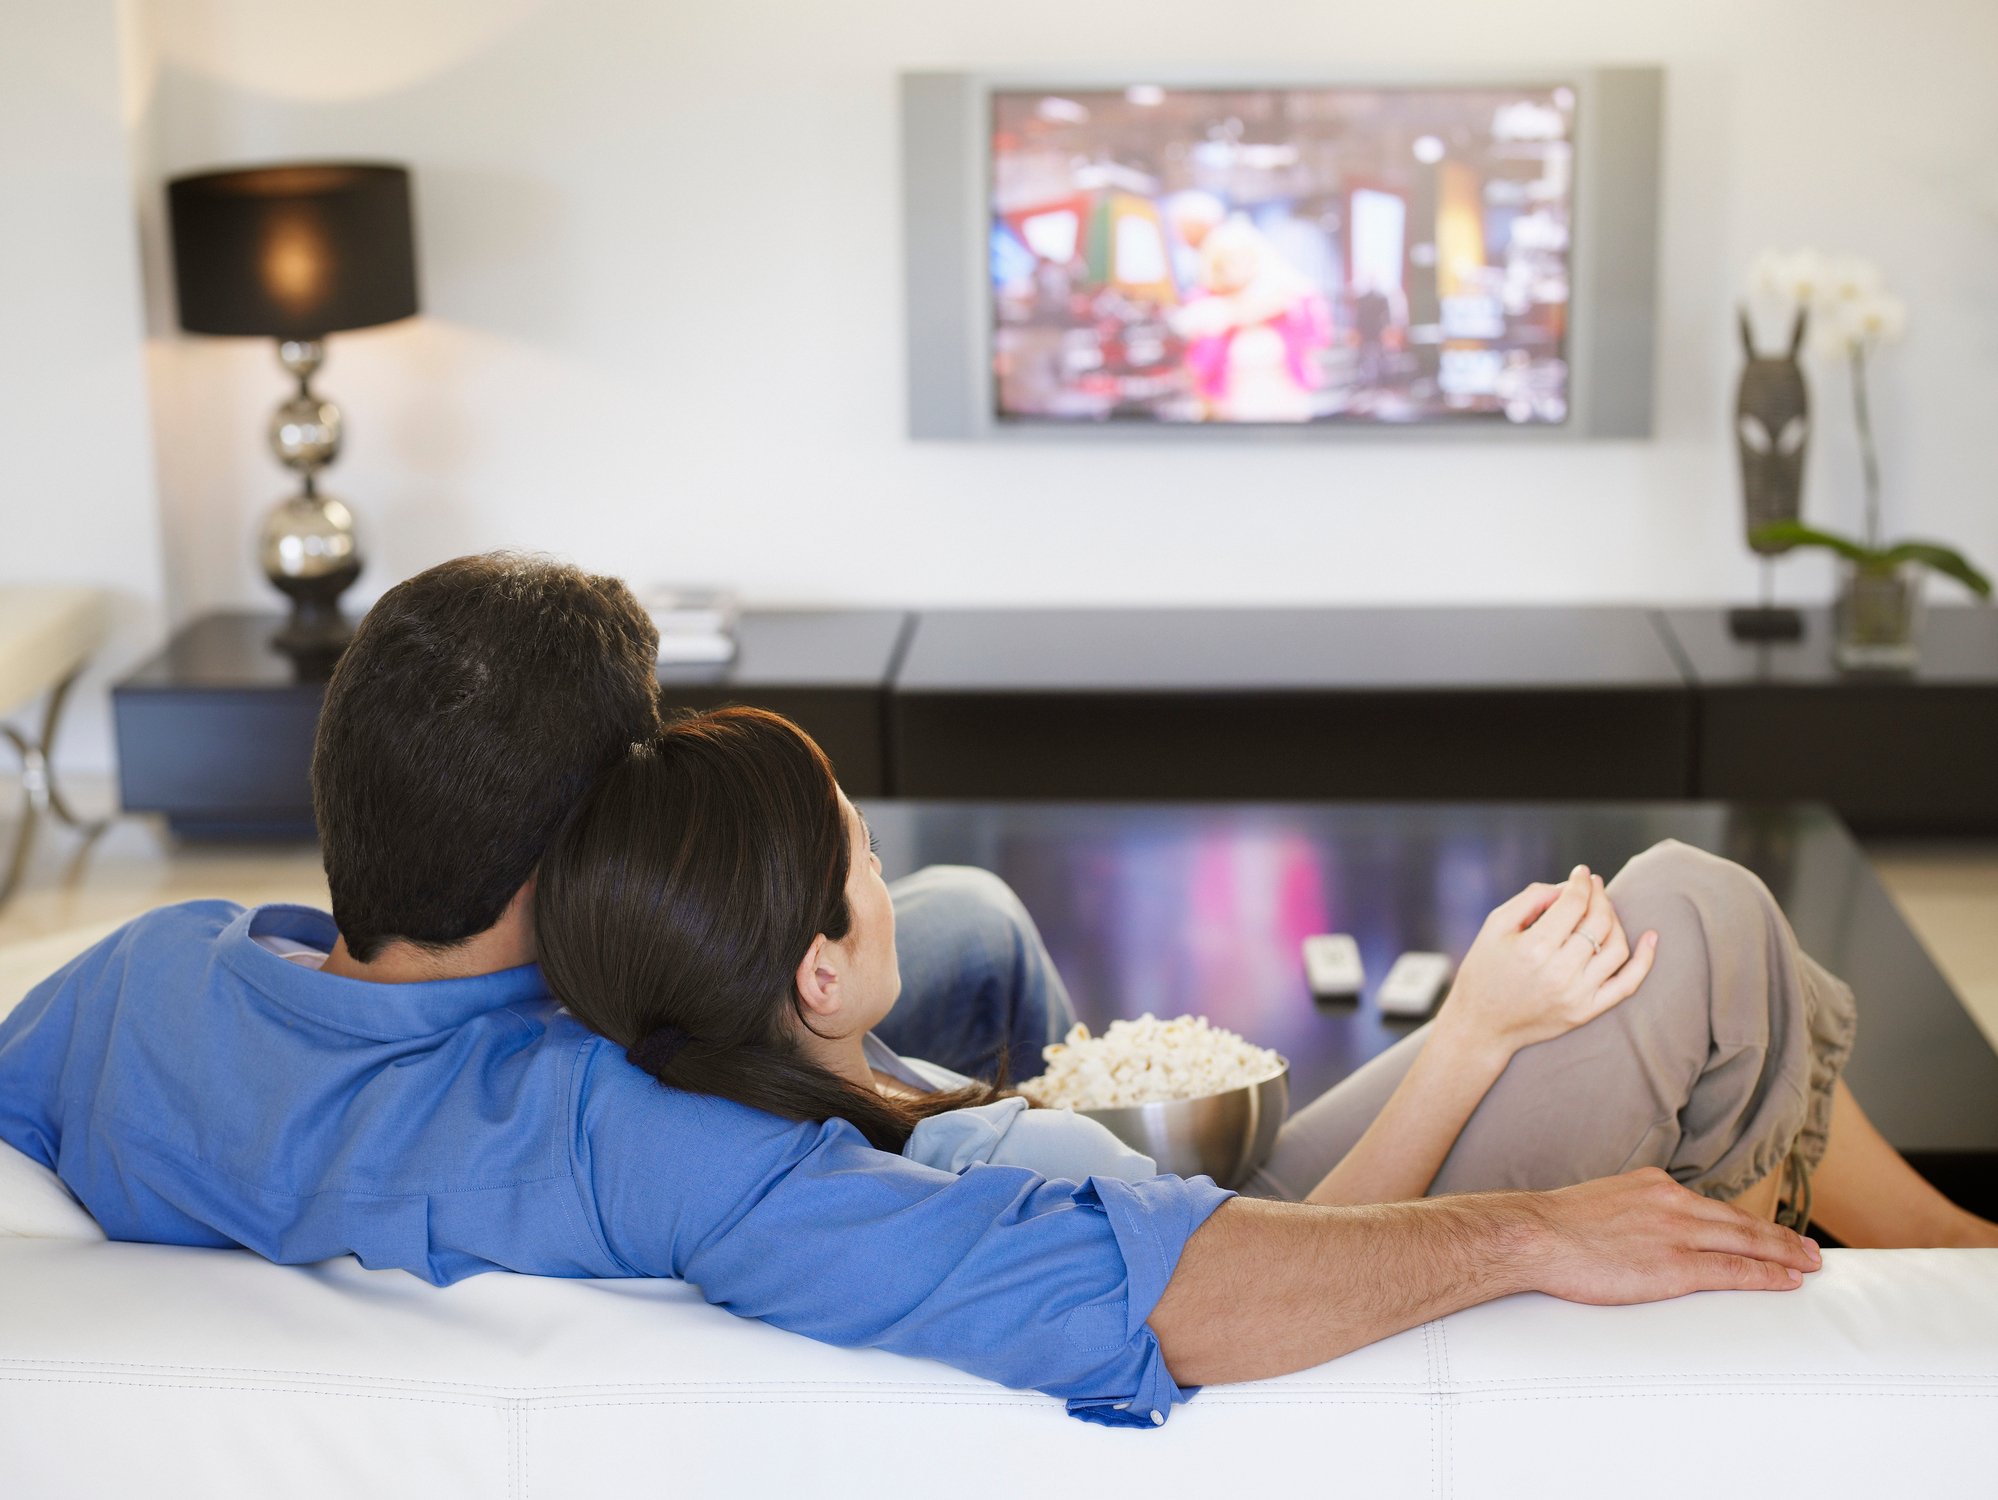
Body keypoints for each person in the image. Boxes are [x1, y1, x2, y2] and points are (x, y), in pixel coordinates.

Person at [0, 553, 1846, 1433]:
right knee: (1694, 926)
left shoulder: (141, 981)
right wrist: (1524, 1232)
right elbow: (1152, 1295)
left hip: (453, 1025)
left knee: (953, 920)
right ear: (578, 878)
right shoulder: (632, 1134)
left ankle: (1047, 1080)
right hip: (1077, 1214)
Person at [534, 703, 1998, 1256]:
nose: (878, 871)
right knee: (1687, 915)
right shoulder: (988, 1156)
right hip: (1299, 1255)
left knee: (1684, 916)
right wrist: (1472, 1035)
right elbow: (1277, 1280)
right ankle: (1890, 1253)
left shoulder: (766, 1081)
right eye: (859, 858)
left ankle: (1906, 1235)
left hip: (1214, 1215)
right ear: (815, 974)